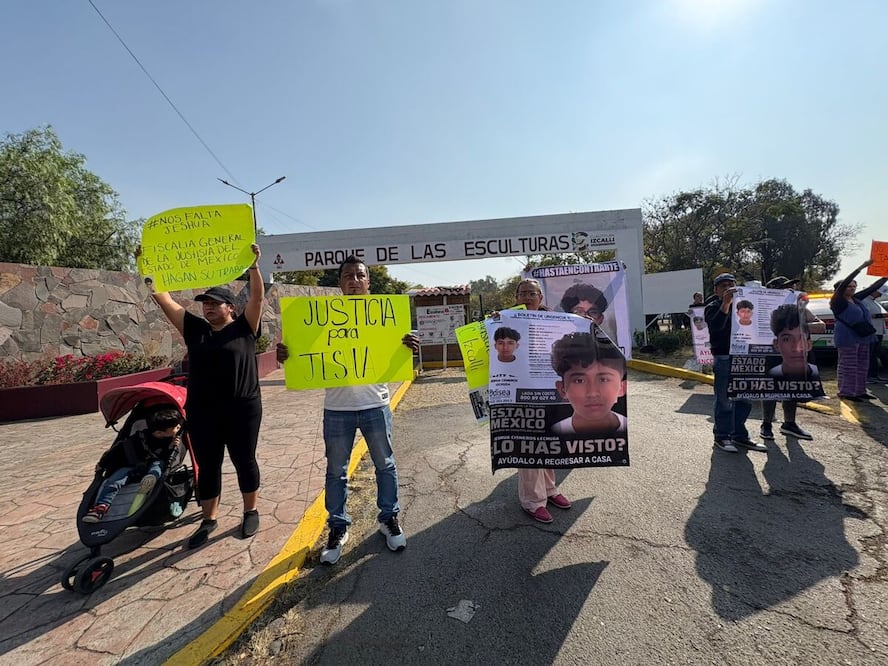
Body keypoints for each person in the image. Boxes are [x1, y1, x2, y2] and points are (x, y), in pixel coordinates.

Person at [276, 256, 419, 565]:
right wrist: (287, 354)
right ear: (339, 283)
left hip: (376, 406)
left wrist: (409, 345)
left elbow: (398, 352)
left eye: (360, 275)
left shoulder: (386, 318)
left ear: (369, 282)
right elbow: (302, 355)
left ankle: (388, 518)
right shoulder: (321, 319)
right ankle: (338, 527)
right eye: (347, 276)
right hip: (337, 409)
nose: (354, 280)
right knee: (336, 472)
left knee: (386, 465)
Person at [140, 243, 265, 548]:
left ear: (230, 307)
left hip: (242, 409)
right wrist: (146, 267)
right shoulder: (195, 329)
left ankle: (251, 510)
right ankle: (208, 520)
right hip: (203, 411)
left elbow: (258, 296)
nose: (208, 307)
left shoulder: (245, 328)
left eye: (215, 303)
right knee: (208, 465)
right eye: (205, 303)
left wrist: (254, 266)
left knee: (243, 460)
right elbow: (163, 298)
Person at [509, 279, 571, 523]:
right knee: (528, 444)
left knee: (547, 441)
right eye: (522, 293)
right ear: (515, 297)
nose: (526, 297)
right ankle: (532, 501)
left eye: (531, 293)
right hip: (520, 393)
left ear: (541, 298)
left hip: (548, 392)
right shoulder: (505, 320)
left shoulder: (555, 320)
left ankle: (549, 490)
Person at [84, 407, 186, 522]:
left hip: (151, 464)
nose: (179, 428)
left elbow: (168, 459)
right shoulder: (138, 437)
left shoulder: (171, 440)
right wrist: (102, 464)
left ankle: (150, 478)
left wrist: (171, 448)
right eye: (176, 427)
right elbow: (117, 449)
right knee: (113, 482)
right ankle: (100, 508)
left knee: (158, 465)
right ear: (159, 432)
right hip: (131, 465)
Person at [704, 272, 766, 453]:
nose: (728, 288)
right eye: (723, 286)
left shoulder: (746, 306)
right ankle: (722, 436)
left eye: (731, 285)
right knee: (724, 399)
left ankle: (739, 435)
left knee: (745, 398)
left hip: (745, 357)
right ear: (716, 290)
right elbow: (716, 328)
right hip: (724, 357)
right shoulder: (713, 306)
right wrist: (726, 303)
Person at [760, 303, 820, 441]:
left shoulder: (799, 309)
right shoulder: (767, 305)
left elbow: (820, 325)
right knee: (771, 388)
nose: (790, 289)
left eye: (791, 287)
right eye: (786, 287)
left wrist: (796, 328)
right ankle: (766, 424)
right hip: (771, 351)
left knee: (792, 386)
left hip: (797, 351)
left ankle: (789, 423)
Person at [830, 259, 886, 402]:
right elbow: (844, 283)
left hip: (862, 336)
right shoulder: (838, 301)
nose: (852, 288)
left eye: (854, 286)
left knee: (862, 364)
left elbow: (872, 288)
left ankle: (860, 390)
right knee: (849, 364)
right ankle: (847, 391)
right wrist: (861, 267)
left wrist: (885, 275)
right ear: (841, 289)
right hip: (847, 336)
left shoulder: (856, 299)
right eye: (849, 286)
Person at [550, 332, 627, 435]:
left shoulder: (632, 431)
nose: (592, 393)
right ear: (562, 389)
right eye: (579, 381)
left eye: (603, 380)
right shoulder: (553, 432)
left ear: (622, 388)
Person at [863, 287, 888, 384]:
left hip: (879, 331)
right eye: (879, 293)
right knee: (870, 354)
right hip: (872, 331)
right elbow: (868, 315)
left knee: (875, 354)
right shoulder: (864, 301)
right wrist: (883, 316)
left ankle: (874, 375)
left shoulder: (875, 302)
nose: (880, 295)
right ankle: (869, 376)